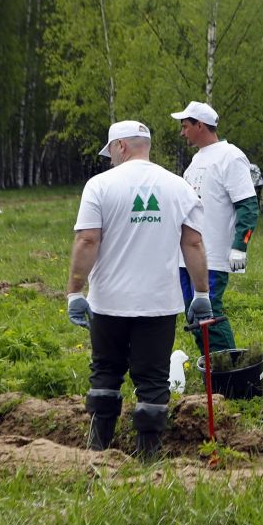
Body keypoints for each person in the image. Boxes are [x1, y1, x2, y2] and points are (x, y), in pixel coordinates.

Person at [67, 120, 212, 457]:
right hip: (158, 304)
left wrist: (75, 292)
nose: (111, 160)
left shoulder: (99, 186)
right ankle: (148, 454)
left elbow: (87, 239)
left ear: (121, 147)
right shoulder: (178, 187)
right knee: (153, 379)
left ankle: (98, 450)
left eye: (111, 153)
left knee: (105, 371)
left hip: (108, 303)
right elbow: (193, 243)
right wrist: (202, 294)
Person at [171, 101, 258, 354]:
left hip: (214, 256)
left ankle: (229, 371)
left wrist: (239, 248)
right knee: (193, 316)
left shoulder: (231, 156)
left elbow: (249, 206)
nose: (182, 132)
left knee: (209, 314)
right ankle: (211, 370)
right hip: (187, 255)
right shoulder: (196, 160)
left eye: (185, 126)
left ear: (200, 125)